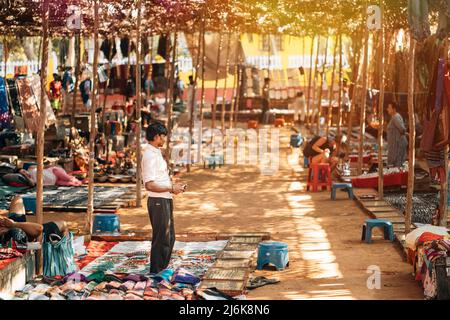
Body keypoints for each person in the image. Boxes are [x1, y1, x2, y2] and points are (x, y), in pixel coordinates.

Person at [142, 122, 186, 274]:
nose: (165, 139)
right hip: (157, 200)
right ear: (156, 137)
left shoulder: (155, 152)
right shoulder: (149, 155)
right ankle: (156, 271)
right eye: (163, 136)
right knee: (162, 238)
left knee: (169, 237)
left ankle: (161, 268)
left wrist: (172, 187)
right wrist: (171, 188)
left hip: (164, 199)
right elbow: (149, 185)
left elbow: (159, 179)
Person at [0, 196, 68, 245]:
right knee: (63, 224)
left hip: (12, 227)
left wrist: (10, 224)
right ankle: (63, 250)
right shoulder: (19, 236)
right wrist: (13, 224)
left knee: (17, 198)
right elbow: (39, 228)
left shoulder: (7, 227)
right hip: (23, 235)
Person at [386, 101, 408, 167]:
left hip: (398, 144)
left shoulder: (395, 117)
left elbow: (402, 129)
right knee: (396, 163)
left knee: (397, 164)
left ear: (394, 109)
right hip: (395, 144)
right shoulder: (394, 117)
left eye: (389, 108)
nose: (387, 109)